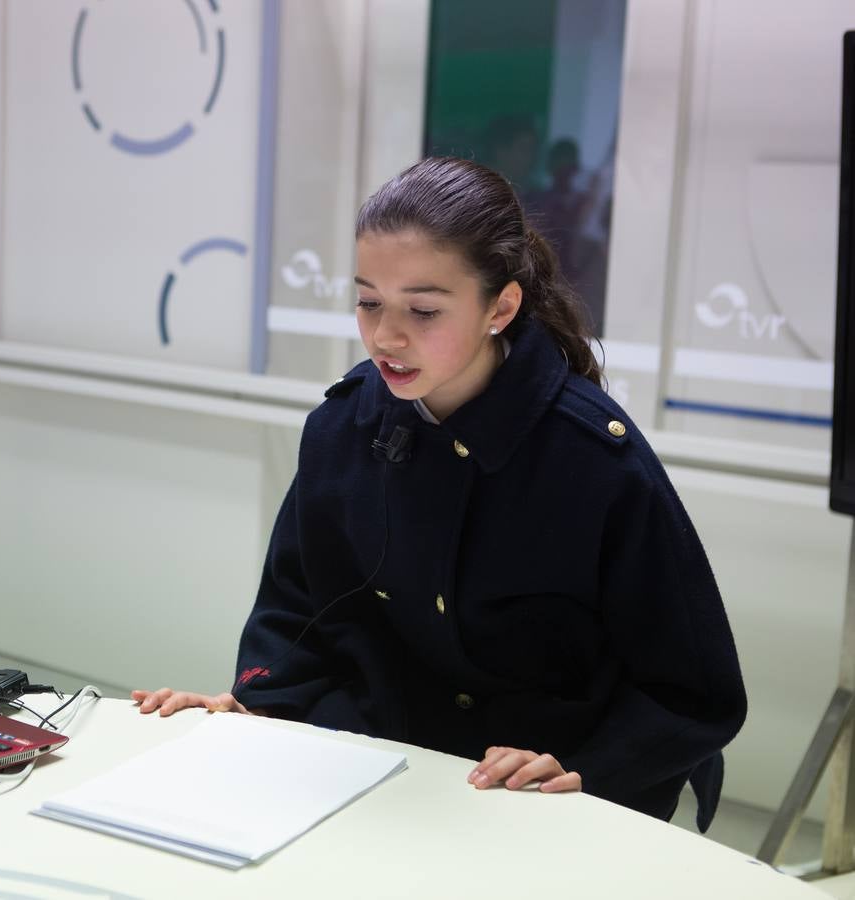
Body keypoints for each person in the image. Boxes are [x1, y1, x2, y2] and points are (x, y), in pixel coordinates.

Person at [132, 157, 747, 830]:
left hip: (541, 801)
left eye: (423, 310)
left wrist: (585, 765)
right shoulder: (343, 426)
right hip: (384, 776)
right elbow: (298, 614)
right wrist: (254, 706)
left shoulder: (596, 459)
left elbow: (691, 690)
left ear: (501, 306)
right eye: (368, 302)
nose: (386, 336)